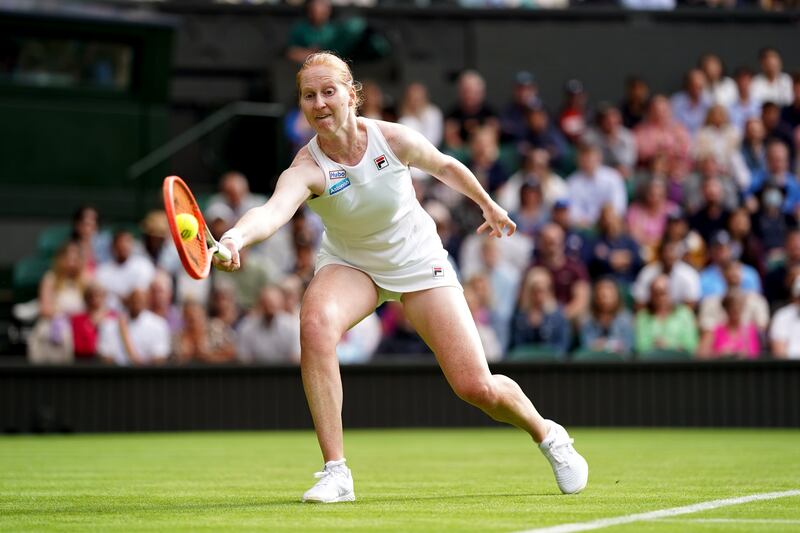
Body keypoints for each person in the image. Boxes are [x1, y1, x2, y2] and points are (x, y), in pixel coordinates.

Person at [212, 52, 588, 503]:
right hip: (352, 264)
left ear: (351, 95)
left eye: (329, 91)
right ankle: (337, 473)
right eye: (309, 96)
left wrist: (487, 203)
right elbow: (272, 211)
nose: (320, 103)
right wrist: (234, 237)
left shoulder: (391, 139)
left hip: (417, 259)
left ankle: (548, 435)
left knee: (476, 387)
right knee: (314, 324)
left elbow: (445, 166)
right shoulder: (306, 167)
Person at [508, 267, 571, 358]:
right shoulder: (519, 317)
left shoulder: (558, 316)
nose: (539, 296)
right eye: (535, 291)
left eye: (542, 291)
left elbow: (563, 345)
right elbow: (516, 346)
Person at [634, 275, 699, 356]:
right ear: (650, 295)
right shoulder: (643, 316)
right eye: (655, 293)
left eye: (663, 293)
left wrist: (668, 347)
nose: (660, 298)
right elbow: (641, 347)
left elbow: (691, 345)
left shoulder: (685, 314)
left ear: (671, 293)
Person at [698, 289, 760, 360]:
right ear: (726, 308)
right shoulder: (715, 330)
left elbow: (755, 354)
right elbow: (701, 353)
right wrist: (719, 353)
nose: (736, 309)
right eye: (731, 306)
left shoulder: (750, 330)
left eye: (739, 305)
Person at [579, 278, 634, 357]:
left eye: (609, 296)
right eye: (602, 296)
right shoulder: (587, 320)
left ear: (617, 297)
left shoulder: (626, 319)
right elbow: (586, 345)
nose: (605, 301)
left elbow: (628, 347)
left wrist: (605, 345)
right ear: (596, 298)